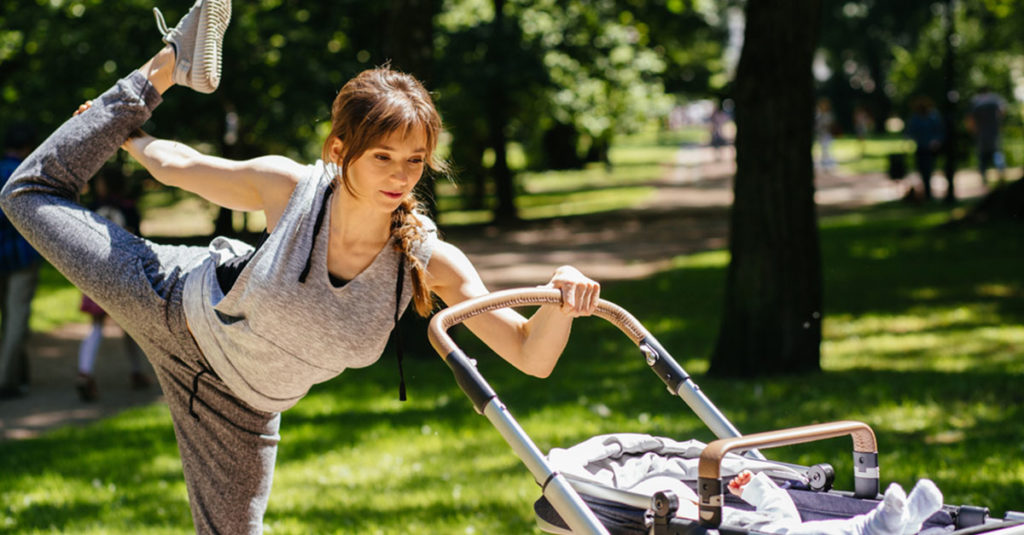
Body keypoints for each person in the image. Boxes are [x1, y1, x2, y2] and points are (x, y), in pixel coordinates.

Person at [0, 1, 600, 533]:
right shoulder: (292, 190)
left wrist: (560, 298)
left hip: (240, 412)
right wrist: (125, 136)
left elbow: (531, 355)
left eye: (415, 160)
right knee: (25, 195)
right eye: (383, 156)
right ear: (340, 151)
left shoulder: (429, 262)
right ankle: (171, 62)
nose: (401, 175)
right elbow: (181, 165)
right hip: (172, 304)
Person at [634, 470, 943, 535]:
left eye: (692, 500)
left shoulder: (727, 513)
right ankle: (883, 526)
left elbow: (779, 506)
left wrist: (756, 488)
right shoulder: (707, 529)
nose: (694, 506)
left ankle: (908, 520)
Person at [75, 172, 152, 402]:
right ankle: (137, 371)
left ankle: (84, 371)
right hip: (123, 271)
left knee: (96, 325)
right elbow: (138, 239)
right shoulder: (129, 208)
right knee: (130, 326)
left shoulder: (91, 208)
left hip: (96, 272)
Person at [0, 123, 41, 400]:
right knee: (17, 319)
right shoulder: (26, 172)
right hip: (22, 255)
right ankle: (7, 380)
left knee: (8, 318)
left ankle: (18, 374)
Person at [905, 96, 945, 201]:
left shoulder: (932, 117)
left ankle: (928, 192)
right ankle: (926, 192)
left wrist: (936, 141)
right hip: (921, 147)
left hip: (930, 148)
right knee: (923, 170)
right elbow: (909, 132)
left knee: (929, 170)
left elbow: (939, 131)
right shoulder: (917, 118)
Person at [968, 86, 1008, 186]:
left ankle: (984, 177)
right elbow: (1003, 111)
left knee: (982, 156)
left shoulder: (976, 100)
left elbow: (971, 118)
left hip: (981, 132)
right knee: (997, 152)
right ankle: (1001, 173)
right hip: (994, 131)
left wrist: (974, 130)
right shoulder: (995, 98)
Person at [815, 98, 838, 171]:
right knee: (824, 149)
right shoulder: (819, 115)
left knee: (827, 149)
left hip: (827, 134)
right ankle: (825, 163)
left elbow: (830, 124)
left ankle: (828, 164)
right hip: (821, 134)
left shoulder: (828, 115)